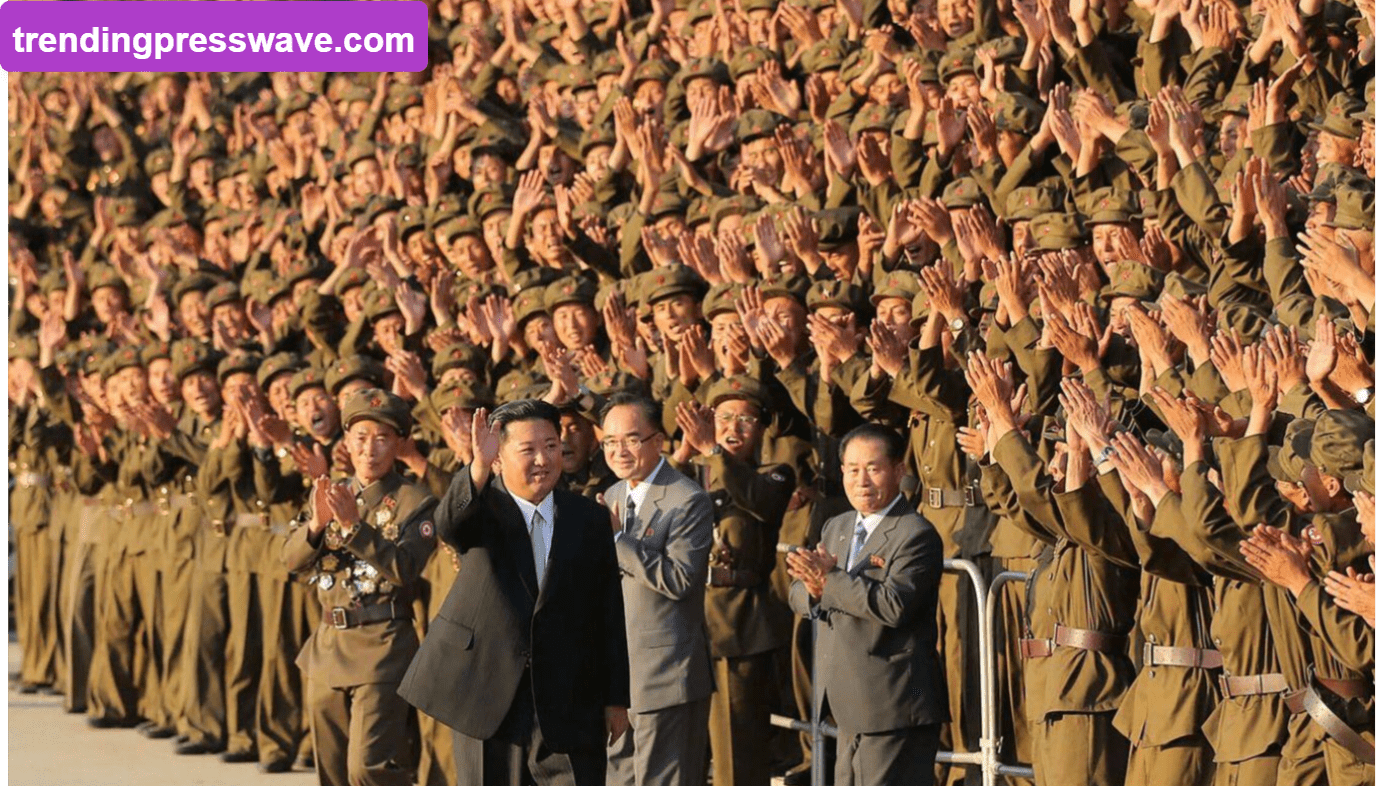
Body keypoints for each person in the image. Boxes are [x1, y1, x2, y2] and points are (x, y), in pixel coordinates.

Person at [398, 399, 630, 786]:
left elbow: (608, 611)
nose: (543, 459)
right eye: (528, 449)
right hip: (489, 694)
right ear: (499, 458)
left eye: (552, 446)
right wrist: (476, 468)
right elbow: (449, 525)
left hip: (569, 698)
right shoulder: (481, 510)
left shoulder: (588, 518)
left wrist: (616, 697)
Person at [282, 388, 438, 786]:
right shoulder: (332, 493)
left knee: (369, 768)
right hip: (329, 645)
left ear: (399, 444)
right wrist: (316, 526)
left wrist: (354, 528)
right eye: (361, 437)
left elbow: (405, 569)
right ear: (346, 443)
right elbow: (292, 561)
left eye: (382, 438)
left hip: (382, 644)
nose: (370, 449)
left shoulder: (414, 501)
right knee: (332, 770)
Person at [786, 423, 947, 786]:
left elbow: (895, 605)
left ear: (898, 470)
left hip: (895, 704)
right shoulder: (836, 526)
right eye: (853, 469)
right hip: (846, 702)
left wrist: (828, 582)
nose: (862, 480)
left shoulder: (915, 533)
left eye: (873, 469)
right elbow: (799, 592)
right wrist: (813, 589)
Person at [600, 393, 714, 786]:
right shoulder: (613, 495)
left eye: (631, 439)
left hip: (667, 679)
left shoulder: (688, 499)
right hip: (620, 677)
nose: (619, 451)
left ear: (659, 441)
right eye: (610, 442)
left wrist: (618, 540)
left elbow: (680, 579)